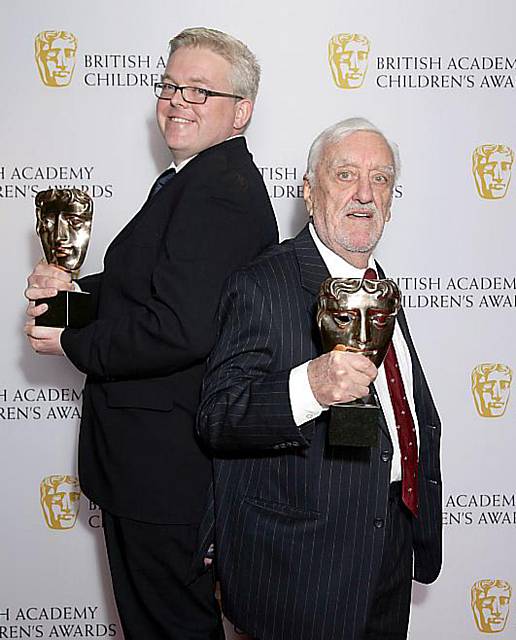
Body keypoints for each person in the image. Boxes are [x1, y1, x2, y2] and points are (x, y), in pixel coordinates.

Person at [25, 27, 278, 640]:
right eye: (170, 85)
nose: (178, 100)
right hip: (157, 468)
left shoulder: (216, 190)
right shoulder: (196, 181)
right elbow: (153, 292)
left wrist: (72, 340)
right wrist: (73, 297)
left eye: (199, 90)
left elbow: (179, 329)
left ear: (240, 111)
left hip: (164, 473)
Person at [197, 117, 442, 640]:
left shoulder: (382, 289)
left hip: (389, 549)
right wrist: (309, 386)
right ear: (309, 192)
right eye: (346, 174)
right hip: (300, 568)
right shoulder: (262, 284)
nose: (365, 194)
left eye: (381, 179)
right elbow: (217, 418)